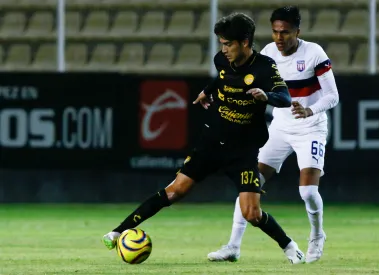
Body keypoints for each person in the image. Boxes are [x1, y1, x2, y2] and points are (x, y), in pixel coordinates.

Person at [102, 12, 306, 264]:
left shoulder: (265, 67)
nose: (224, 49)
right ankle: (118, 231)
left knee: (251, 213)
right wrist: (206, 91)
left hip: (243, 150)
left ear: (245, 42)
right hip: (212, 141)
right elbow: (222, 78)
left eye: (228, 44)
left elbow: (285, 98)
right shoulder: (222, 59)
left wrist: (267, 96)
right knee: (176, 190)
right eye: (222, 44)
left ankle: (289, 246)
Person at [207, 6, 339, 263]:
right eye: (275, 32)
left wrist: (310, 110)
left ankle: (317, 235)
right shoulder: (267, 53)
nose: (279, 38)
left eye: (285, 32)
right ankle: (233, 246)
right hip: (279, 127)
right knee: (250, 183)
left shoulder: (314, 53)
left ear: (297, 31)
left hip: (310, 127)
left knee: (308, 193)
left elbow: (333, 95)